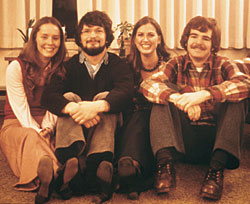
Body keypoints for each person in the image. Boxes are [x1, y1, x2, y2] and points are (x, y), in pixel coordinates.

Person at [140, 16, 250, 200]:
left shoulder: (223, 63)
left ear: (213, 44)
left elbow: (245, 82)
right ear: (186, 39)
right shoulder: (176, 63)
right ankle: (165, 167)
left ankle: (215, 174)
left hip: (216, 144)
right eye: (194, 36)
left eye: (205, 38)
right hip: (183, 142)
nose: (198, 42)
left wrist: (205, 94)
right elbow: (148, 84)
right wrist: (177, 98)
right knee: (163, 94)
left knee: (235, 99)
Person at [41, 10, 134, 203]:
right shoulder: (68, 65)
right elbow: (49, 97)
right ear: (79, 38)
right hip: (76, 128)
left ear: (107, 36)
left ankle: (95, 166)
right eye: (86, 31)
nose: (92, 36)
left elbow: (126, 93)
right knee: (68, 97)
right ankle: (71, 165)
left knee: (106, 98)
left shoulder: (119, 64)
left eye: (98, 31)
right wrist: (75, 108)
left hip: (107, 128)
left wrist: (97, 106)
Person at [0, 16, 67, 204]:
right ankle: (57, 175)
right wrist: (37, 131)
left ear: (61, 42)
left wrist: (47, 127)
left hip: (49, 123)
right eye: (44, 37)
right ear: (35, 38)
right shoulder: (16, 66)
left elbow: (57, 102)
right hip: (17, 123)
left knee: (61, 141)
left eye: (55, 38)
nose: (50, 43)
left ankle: (45, 178)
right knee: (30, 139)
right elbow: (18, 106)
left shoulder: (62, 68)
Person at [116, 16, 170, 200]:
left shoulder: (170, 65)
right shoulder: (125, 65)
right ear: (134, 39)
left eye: (150, 35)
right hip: (131, 120)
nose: (145, 39)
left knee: (147, 117)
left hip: (163, 121)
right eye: (140, 35)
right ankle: (133, 171)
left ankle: (132, 168)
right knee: (138, 118)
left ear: (159, 39)